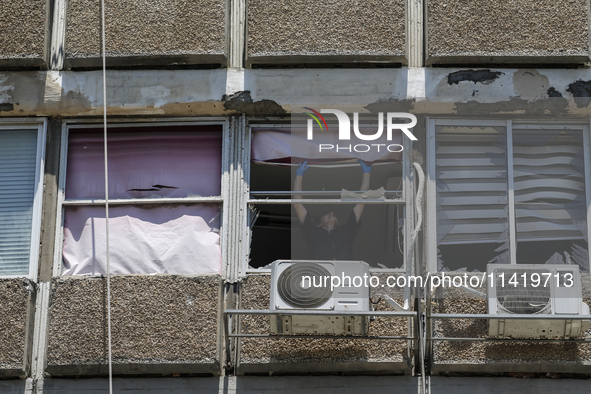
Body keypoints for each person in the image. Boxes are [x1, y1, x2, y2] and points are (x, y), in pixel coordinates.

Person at [294, 159, 371, 260]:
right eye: (326, 214)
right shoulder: (312, 232)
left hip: (346, 274)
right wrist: (298, 176)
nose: (332, 213)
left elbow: (361, 204)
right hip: (320, 274)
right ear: (319, 224)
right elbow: (297, 205)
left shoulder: (347, 230)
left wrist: (367, 173)